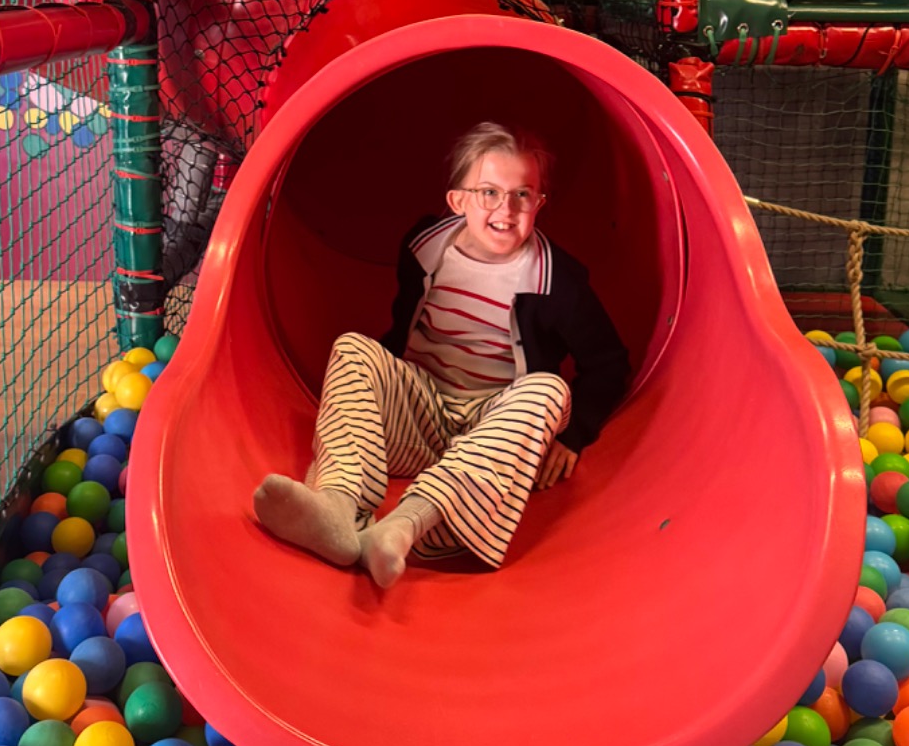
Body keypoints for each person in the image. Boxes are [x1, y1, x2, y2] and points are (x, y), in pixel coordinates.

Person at [253, 120, 630, 587]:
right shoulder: (425, 248)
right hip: (421, 416)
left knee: (548, 389)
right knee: (352, 348)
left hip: (495, 436)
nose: (506, 209)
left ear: (539, 204)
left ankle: (402, 528)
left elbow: (609, 364)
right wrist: (377, 388)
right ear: (457, 201)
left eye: (522, 195)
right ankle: (338, 505)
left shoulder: (558, 282)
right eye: (489, 192)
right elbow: (402, 330)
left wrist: (574, 435)